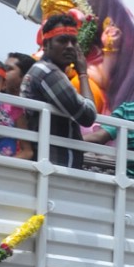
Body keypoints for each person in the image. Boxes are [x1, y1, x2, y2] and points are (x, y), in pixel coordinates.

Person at [20, 13, 97, 169]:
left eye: (73, 41)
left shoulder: (47, 70)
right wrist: (83, 73)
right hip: (54, 164)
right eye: (62, 40)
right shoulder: (48, 72)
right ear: (46, 45)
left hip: (51, 163)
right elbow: (88, 115)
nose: (69, 46)